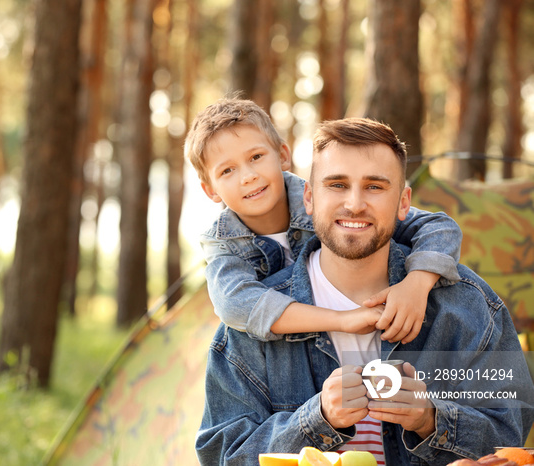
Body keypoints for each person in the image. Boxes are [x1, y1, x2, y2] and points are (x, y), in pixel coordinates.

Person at [195, 117, 534, 465]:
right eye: (337, 185)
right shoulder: (251, 327)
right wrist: (316, 419)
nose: (355, 204)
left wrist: (431, 418)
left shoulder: (469, 306)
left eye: (374, 187)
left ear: (404, 203)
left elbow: (511, 431)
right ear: (308, 197)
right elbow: (223, 455)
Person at [184, 97, 462, 344]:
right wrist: (341, 319)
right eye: (228, 171)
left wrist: (417, 283)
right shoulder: (222, 242)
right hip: (290, 349)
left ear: (283, 156)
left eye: (256, 157)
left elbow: (438, 227)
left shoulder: (324, 199)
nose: (248, 176)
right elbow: (235, 304)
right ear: (210, 190)